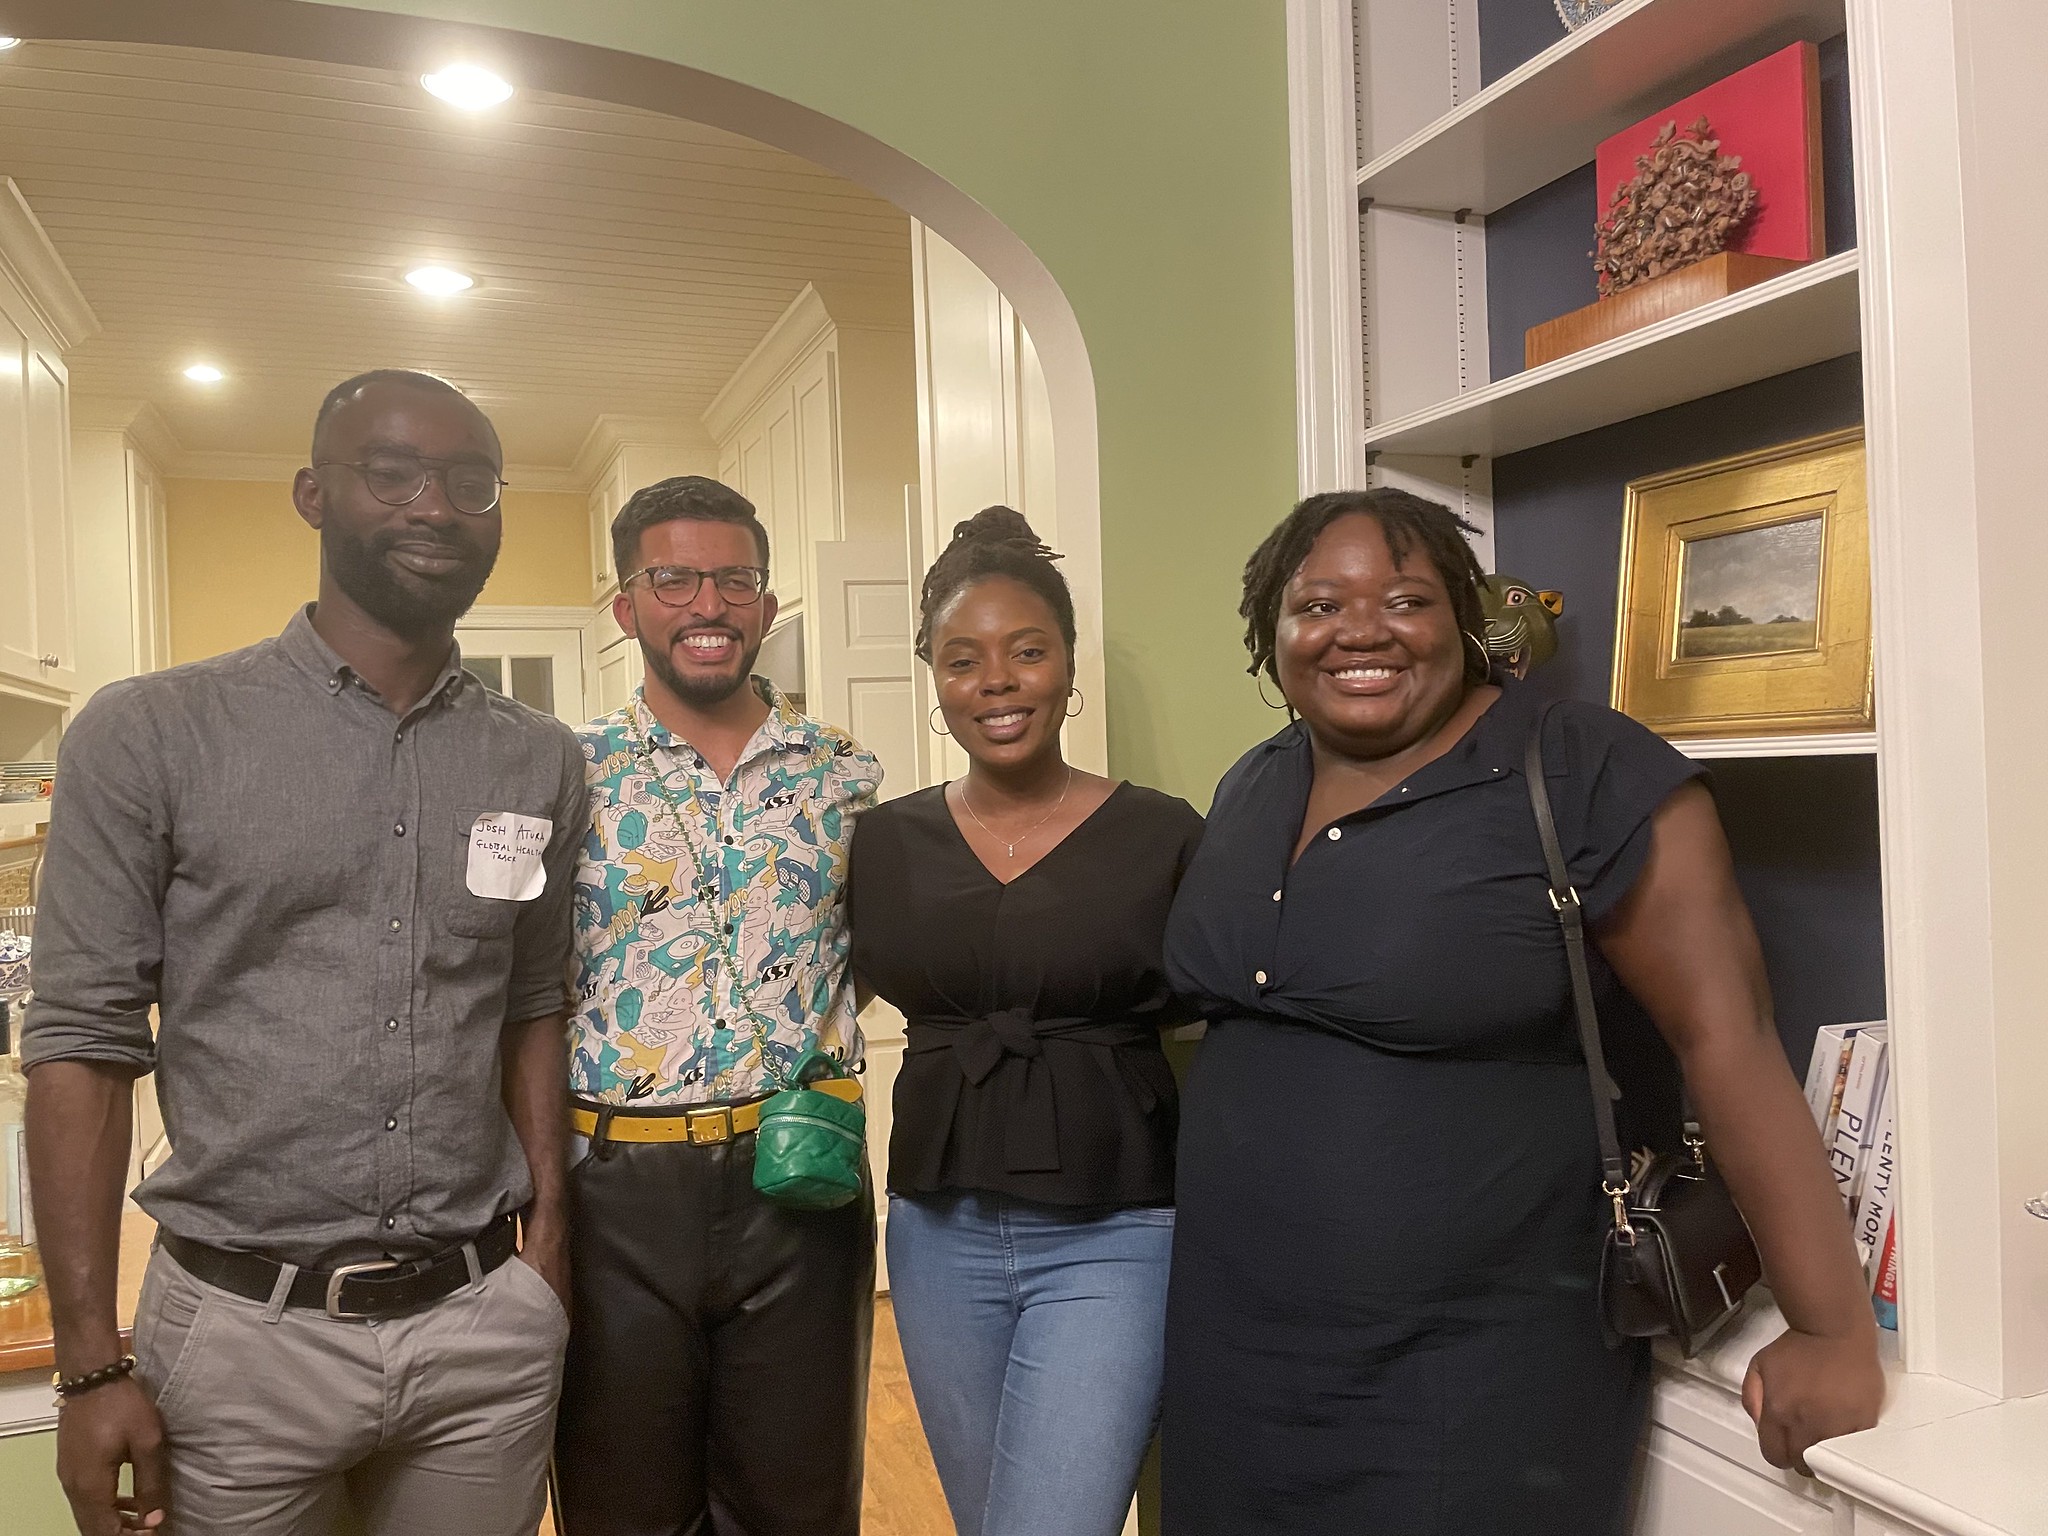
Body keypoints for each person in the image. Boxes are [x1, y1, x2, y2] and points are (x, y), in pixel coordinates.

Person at [1159, 488, 1885, 1535]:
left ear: (1462, 617)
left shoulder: (1582, 769)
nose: (1359, 631)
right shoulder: (1254, 780)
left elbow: (1725, 1037)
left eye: (1404, 600)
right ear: (1271, 633)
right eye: (1317, 605)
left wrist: (1828, 1328)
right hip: (1236, 1354)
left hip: (1471, 1374)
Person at [23, 369, 586, 1536]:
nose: (435, 505)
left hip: (481, 1329)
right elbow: (81, 1042)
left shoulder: (537, 758)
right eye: (392, 472)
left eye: (470, 481)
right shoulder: (152, 732)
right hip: (241, 1340)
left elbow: (532, 1002)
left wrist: (548, 1254)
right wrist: (88, 1363)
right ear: (313, 494)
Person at [848, 508, 1204, 1536]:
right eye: (963, 660)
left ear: (1067, 663)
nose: (996, 681)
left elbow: (1232, 1016)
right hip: (936, 1234)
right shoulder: (882, 843)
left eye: (1027, 651)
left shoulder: (1163, 835)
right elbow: (802, 1002)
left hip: (1117, 1230)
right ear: (935, 680)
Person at [556, 476, 882, 1535]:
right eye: (674, 579)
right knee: (621, 1504)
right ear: (625, 607)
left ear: (768, 603)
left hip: (801, 1177)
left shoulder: (843, 771)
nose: (709, 604)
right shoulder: (567, 772)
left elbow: (873, 945)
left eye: (735, 580)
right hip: (615, 1190)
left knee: (797, 1504)